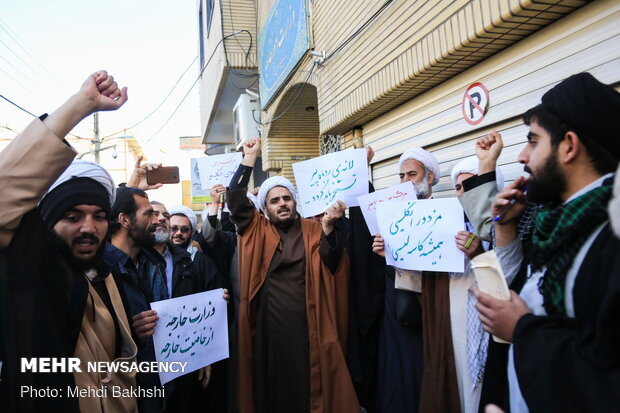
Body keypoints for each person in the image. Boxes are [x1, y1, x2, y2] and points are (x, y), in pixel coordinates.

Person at [474, 72, 620, 412]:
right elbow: (525, 292)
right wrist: (506, 229)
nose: (523, 157)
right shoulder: (562, 222)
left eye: (534, 141)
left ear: (569, 146)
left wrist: (523, 330)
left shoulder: (610, 236)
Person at [0, 71, 137, 413]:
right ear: (47, 223)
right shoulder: (33, 270)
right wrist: (81, 106)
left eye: (98, 216)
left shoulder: (104, 273)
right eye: (72, 217)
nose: (88, 228)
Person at [227, 138, 359, 413]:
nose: (282, 204)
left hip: (308, 327)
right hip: (267, 331)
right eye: (274, 201)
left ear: (295, 202)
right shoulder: (257, 229)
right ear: (265, 208)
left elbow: (332, 263)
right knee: (272, 393)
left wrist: (329, 229)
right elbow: (236, 201)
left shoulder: (313, 229)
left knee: (308, 390)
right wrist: (249, 158)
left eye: (287, 198)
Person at [373, 146, 463, 413]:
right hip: (400, 311)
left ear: (431, 177)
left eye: (412, 174)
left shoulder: (448, 213)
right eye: (401, 176)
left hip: (437, 308)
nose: (405, 181)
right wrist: (383, 251)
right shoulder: (389, 216)